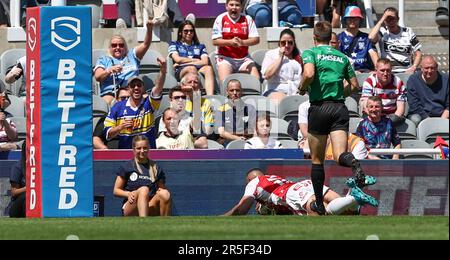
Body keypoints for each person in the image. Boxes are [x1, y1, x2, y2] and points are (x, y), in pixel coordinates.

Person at [297, 21, 364, 215]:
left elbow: (309, 73)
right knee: (340, 155)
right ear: (331, 39)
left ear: (315, 37)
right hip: (340, 108)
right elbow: (354, 85)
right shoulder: (342, 57)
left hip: (319, 108)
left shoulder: (310, 53)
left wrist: (302, 87)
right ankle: (353, 163)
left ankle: (318, 203)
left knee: (317, 160)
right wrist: (338, 93)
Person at [223, 168, 377, 216]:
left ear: (250, 180)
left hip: (291, 192)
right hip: (304, 184)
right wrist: (267, 207)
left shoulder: (255, 182)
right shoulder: (273, 178)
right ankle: (354, 196)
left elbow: (241, 208)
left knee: (323, 213)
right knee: (347, 214)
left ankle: (354, 196)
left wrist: (224, 217)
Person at [94, 20, 155, 105]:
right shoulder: (104, 59)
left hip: (132, 90)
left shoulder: (132, 55)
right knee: (106, 103)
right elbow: (98, 77)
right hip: (111, 92)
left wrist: (149, 29)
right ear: (110, 47)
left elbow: (145, 44)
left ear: (125, 46)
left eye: (121, 45)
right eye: (114, 45)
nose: (117, 48)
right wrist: (109, 70)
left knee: (147, 100)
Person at [104, 69, 164, 149]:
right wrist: (120, 127)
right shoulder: (118, 107)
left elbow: (158, 87)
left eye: (139, 85)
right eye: (132, 86)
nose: (136, 88)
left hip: (148, 154)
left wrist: (163, 70)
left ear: (143, 88)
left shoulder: (149, 103)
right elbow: (107, 133)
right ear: (128, 89)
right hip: (126, 155)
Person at [113, 135, 171, 216]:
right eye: (139, 148)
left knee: (165, 193)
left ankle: (165, 224)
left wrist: (160, 190)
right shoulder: (127, 166)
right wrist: (128, 194)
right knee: (144, 190)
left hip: (149, 204)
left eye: (145, 148)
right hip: (131, 206)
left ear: (149, 148)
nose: (142, 151)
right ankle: (143, 222)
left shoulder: (155, 167)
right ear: (133, 150)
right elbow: (116, 190)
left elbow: (161, 188)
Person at [212, 0, 260, 83]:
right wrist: (230, 42)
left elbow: (256, 39)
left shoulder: (247, 19)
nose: (234, 7)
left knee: (256, 80)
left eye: (237, 5)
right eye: (231, 5)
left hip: (244, 58)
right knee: (225, 82)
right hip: (225, 58)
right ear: (226, 6)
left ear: (241, 7)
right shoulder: (221, 18)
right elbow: (215, 41)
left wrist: (242, 43)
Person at [368, 7, 422, 73]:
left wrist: (414, 67)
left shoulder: (408, 31)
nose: (391, 21)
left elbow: (418, 53)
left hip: (406, 71)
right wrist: (381, 20)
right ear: (384, 21)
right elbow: (371, 37)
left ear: (398, 19)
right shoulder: (383, 31)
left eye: (393, 18)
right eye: (388, 19)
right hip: (388, 72)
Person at [168, 20, 215, 95]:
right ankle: (191, 95)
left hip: (193, 68)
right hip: (181, 71)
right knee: (191, 68)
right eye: (186, 31)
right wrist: (195, 60)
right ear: (180, 32)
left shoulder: (200, 46)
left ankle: (210, 96)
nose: (189, 33)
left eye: (191, 31)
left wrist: (182, 63)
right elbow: (177, 59)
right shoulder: (174, 44)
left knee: (208, 68)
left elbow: (205, 62)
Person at [359, 58, 407, 126]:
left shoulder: (398, 83)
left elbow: (400, 109)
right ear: (376, 70)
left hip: (392, 117)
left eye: (388, 70)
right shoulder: (369, 82)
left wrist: (387, 123)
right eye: (382, 70)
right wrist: (378, 120)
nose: (385, 73)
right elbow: (366, 106)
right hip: (373, 114)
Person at [261, 28, 303, 104]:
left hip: (296, 91)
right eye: (283, 43)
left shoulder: (300, 55)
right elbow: (267, 75)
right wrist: (280, 57)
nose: (286, 45)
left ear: (294, 43)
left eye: (290, 42)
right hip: (275, 90)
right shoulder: (271, 54)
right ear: (279, 43)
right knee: (283, 101)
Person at [407, 56, 449, 125]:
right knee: (415, 119)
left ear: (437, 67)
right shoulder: (413, 80)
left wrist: (442, 121)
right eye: (426, 68)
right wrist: (429, 122)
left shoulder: (446, 79)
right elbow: (414, 105)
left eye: (432, 68)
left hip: (442, 115)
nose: (429, 71)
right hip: (421, 115)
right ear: (421, 68)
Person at [338, 6, 378, 73]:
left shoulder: (366, 37)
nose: (352, 21)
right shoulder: (340, 37)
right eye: (349, 18)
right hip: (347, 72)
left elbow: (373, 53)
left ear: (360, 20)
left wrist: (378, 70)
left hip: (365, 71)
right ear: (345, 20)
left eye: (355, 18)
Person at [216, 79, 256, 146]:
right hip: (228, 142)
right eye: (231, 90)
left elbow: (254, 130)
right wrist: (238, 138)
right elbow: (221, 132)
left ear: (241, 91)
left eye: (237, 90)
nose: (234, 93)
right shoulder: (221, 109)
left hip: (247, 142)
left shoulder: (250, 108)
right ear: (227, 92)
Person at [180, 72, 214, 149]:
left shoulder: (206, 102)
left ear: (199, 86)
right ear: (183, 86)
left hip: (201, 140)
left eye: (195, 82)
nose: (192, 85)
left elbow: (208, 129)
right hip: (182, 140)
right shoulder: (179, 100)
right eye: (189, 82)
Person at [7, 141, 26, 218]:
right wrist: (29, 188)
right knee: (26, 196)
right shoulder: (18, 167)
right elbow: (14, 192)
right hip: (17, 206)